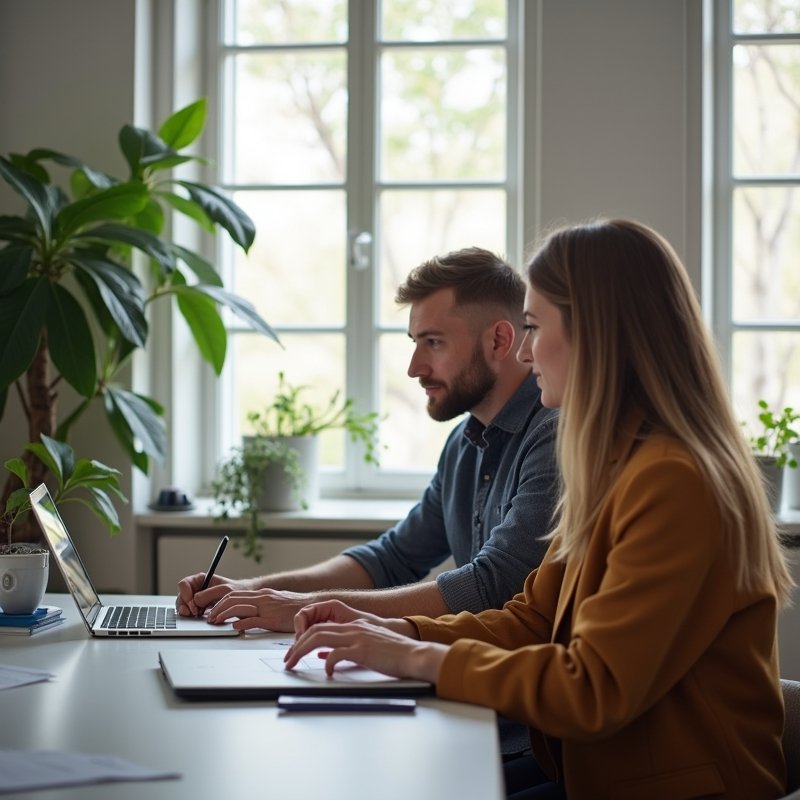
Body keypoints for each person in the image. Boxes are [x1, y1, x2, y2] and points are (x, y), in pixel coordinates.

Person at [283, 219, 793, 800]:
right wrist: (391, 629)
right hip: (597, 773)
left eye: (533, 327)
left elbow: (591, 688)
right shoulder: (617, 465)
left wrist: (416, 656)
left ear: (598, 335)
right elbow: (531, 617)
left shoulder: (676, 482)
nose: (524, 351)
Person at [177, 246, 559, 755]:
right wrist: (252, 592)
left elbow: (494, 586)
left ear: (500, 339)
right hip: (469, 709)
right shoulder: (467, 441)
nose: (414, 367)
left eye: (433, 342)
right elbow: (391, 557)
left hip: (524, 736)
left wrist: (304, 607)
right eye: (414, 342)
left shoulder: (553, 435)